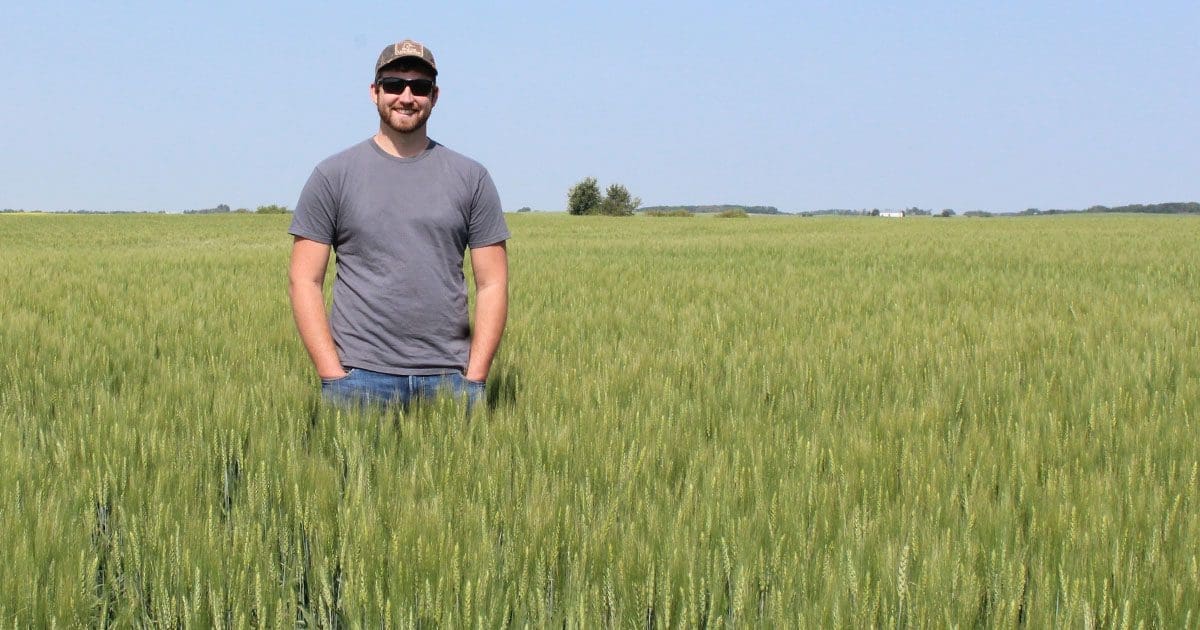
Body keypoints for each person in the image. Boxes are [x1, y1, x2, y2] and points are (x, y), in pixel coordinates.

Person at [288, 39, 509, 409]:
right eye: (394, 85)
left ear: (434, 96)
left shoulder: (472, 177)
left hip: (448, 379)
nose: (406, 96)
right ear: (375, 92)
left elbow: (493, 282)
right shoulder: (332, 176)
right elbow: (304, 279)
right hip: (359, 377)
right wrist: (332, 374)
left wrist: (475, 377)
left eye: (419, 87)